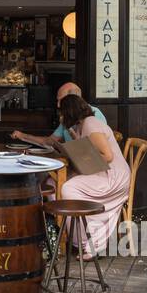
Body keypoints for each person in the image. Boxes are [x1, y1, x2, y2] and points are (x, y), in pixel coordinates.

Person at [56, 94, 129, 257]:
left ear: (69, 112)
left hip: (113, 176)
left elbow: (107, 156)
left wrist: (83, 156)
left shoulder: (91, 123)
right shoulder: (83, 125)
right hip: (104, 173)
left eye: (62, 112)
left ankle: (90, 242)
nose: (60, 116)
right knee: (67, 182)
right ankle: (84, 239)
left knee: (68, 187)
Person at [12, 82, 107, 150]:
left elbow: (95, 152)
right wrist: (23, 135)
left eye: (61, 100)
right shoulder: (68, 116)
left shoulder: (93, 115)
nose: (58, 105)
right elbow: (50, 141)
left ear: (74, 99)